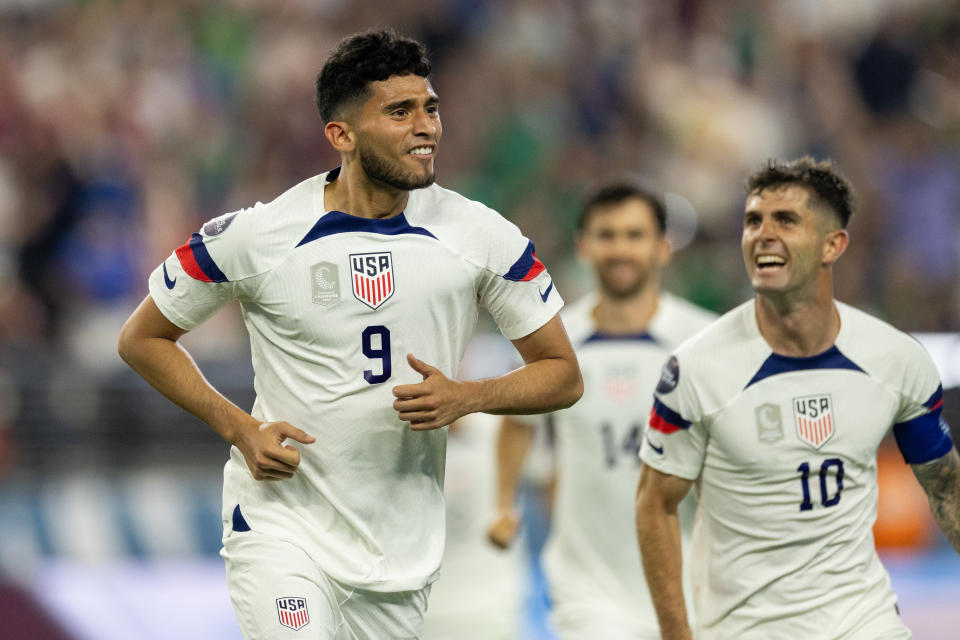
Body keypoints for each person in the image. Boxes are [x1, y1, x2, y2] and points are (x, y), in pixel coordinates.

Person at [117, 30, 582, 640]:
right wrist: (239, 427)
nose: (427, 127)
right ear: (341, 136)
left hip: (400, 557)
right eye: (400, 112)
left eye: (431, 108)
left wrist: (468, 396)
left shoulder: (481, 236)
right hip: (284, 531)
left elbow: (564, 374)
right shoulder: (263, 234)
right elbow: (142, 339)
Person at [635, 156, 960, 640]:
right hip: (745, 629)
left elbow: (945, 487)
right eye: (752, 221)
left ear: (834, 244)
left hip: (863, 621)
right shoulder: (696, 371)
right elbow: (654, 506)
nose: (762, 234)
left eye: (785, 220)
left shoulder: (896, 360)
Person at [487, 182, 715, 639]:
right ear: (583, 246)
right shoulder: (556, 346)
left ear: (663, 247)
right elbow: (516, 421)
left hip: (691, 581)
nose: (620, 249)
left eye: (635, 235)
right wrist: (503, 503)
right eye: (607, 235)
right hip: (586, 589)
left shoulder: (704, 343)